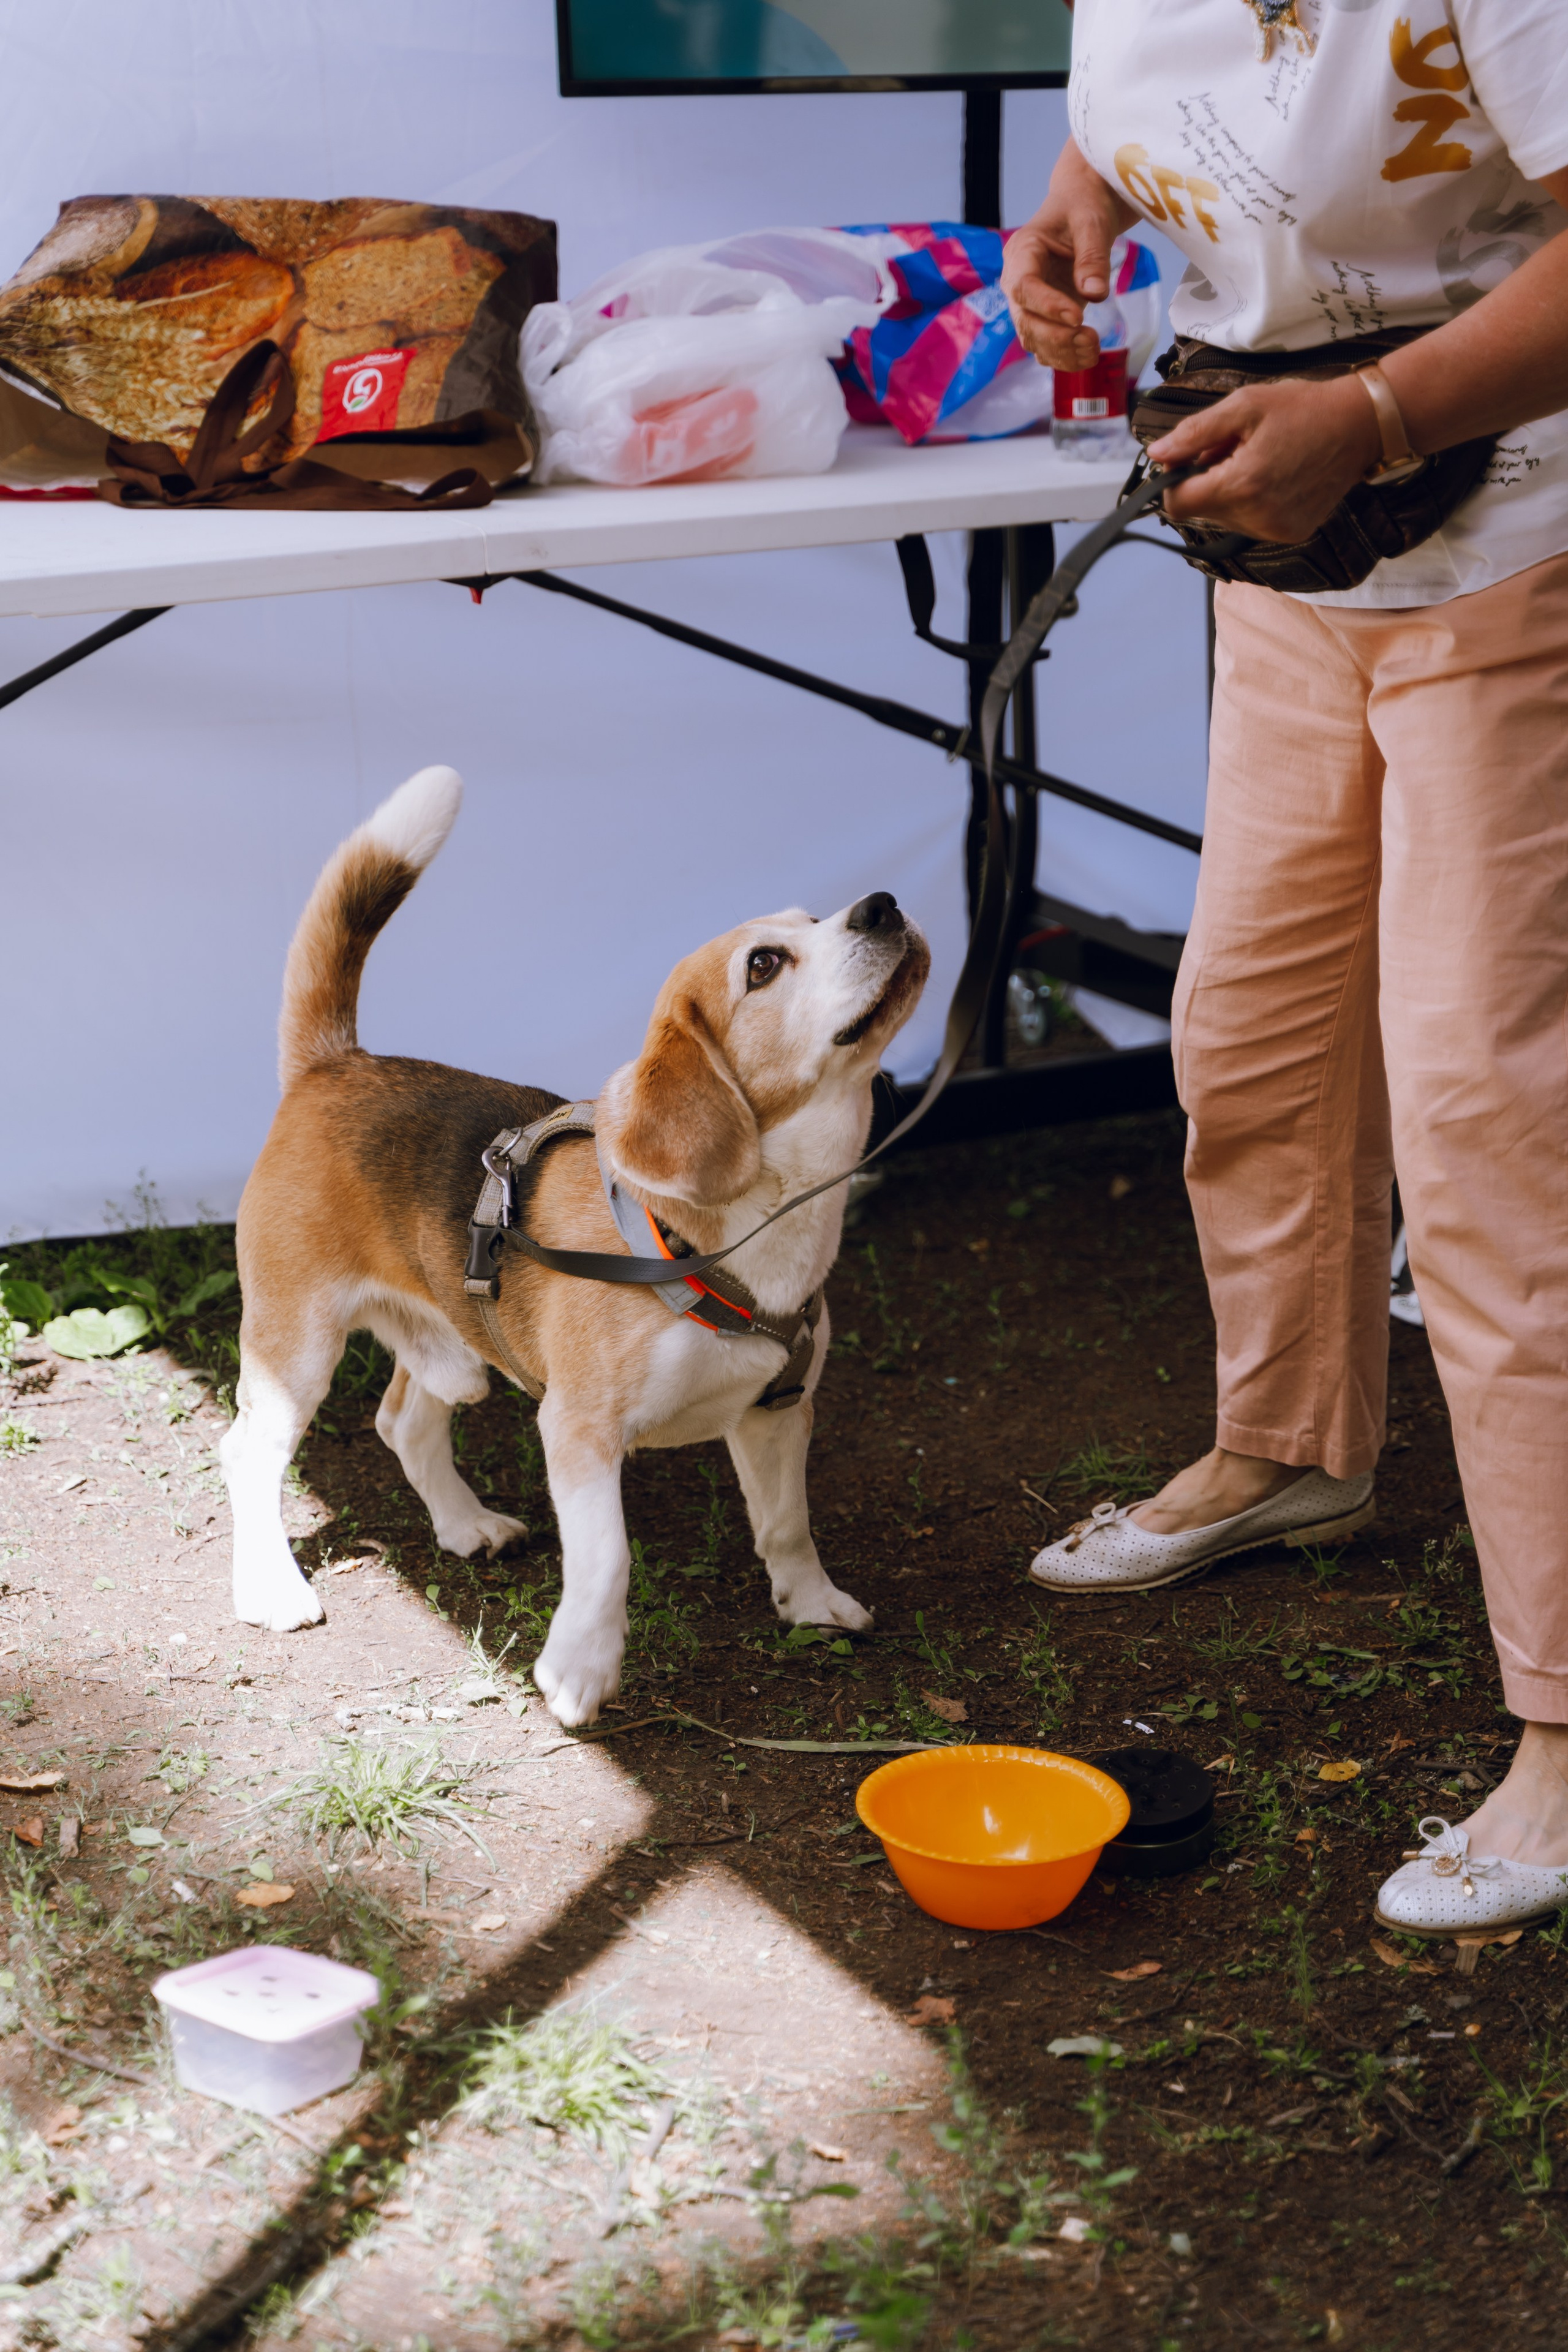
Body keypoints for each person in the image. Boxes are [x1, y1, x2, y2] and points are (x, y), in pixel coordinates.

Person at [1003, 0, 1568, 1939]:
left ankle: (1565, 1720)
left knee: (1491, 1133)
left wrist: (1380, 417)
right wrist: (1082, 195)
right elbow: (1186, 97)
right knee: (1256, 1041)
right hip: (1303, 576)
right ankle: (1292, 1448)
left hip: (1520, 549)